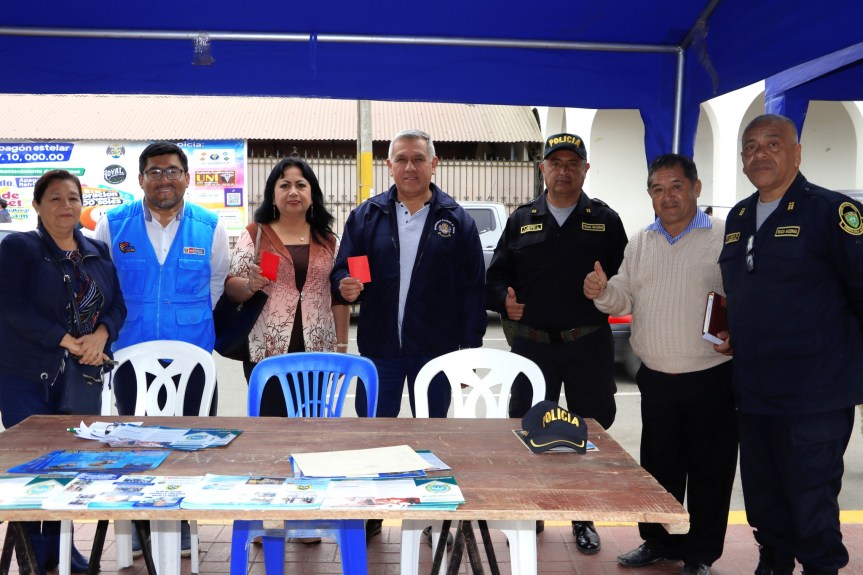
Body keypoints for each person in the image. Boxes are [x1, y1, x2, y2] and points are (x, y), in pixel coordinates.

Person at [717, 114, 863, 575]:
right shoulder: (739, 217)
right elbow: (746, 290)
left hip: (814, 394)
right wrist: (732, 331)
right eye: (750, 146)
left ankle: (821, 568)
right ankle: (773, 563)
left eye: (772, 144)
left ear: (797, 153)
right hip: (754, 390)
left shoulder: (831, 212)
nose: (759, 153)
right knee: (764, 496)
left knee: (811, 499)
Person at [330, 128, 487, 542]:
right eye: (401, 159)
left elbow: (473, 291)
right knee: (374, 434)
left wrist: (469, 354)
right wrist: (345, 284)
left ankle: (431, 515)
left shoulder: (456, 220)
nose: (410, 167)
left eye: (418, 158)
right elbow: (344, 269)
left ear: (434, 164)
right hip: (379, 350)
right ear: (389, 166)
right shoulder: (367, 216)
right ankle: (372, 512)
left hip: (435, 352)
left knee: (431, 435)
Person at [584, 154, 737, 575]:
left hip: (710, 377)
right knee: (659, 467)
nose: (667, 196)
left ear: (696, 188)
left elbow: (743, 297)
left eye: (676, 186)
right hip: (656, 379)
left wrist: (737, 333)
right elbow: (623, 296)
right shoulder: (641, 242)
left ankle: (701, 553)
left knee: (710, 470)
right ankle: (658, 541)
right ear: (650, 195)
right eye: (657, 189)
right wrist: (602, 290)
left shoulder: (723, 237)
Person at [485, 132, 627, 554]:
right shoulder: (521, 219)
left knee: (591, 430)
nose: (563, 171)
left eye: (572, 163)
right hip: (533, 348)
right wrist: (503, 300)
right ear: (543, 168)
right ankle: (534, 509)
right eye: (555, 163)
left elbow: (627, 280)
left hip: (587, 346)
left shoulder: (606, 220)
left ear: (585, 169)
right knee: (527, 428)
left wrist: (608, 288)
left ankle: (582, 516)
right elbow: (496, 276)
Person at [94, 141, 229, 554]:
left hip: (193, 355)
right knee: (134, 443)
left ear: (186, 178)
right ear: (140, 179)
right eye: (154, 171)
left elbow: (216, 282)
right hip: (130, 354)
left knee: (190, 441)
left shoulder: (210, 226)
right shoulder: (113, 225)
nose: (164, 179)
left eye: (172, 171)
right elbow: (103, 286)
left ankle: (182, 520)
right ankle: (139, 526)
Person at [0, 169, 126, 574]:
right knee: (33, 464)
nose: (65, 205)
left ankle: (61, 545)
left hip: (81, 379)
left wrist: (101, 336)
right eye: (55, 198)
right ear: (37, 205)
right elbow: (12, 307)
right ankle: (34, 552)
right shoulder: (19, 247)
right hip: (25, 377)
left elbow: (117, 306)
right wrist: (68, 340)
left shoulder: (97, 250)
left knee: (72, 464)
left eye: (73, 197)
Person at [224, 158, 349, 416]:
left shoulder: (329, 241)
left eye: (300, 185)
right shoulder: (255, 234)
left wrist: (341, 348)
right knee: (271, 426)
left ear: (312, 195)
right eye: (284, 185)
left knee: (310, 423)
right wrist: (249, 285)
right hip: (266, 353)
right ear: (272, 196)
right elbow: (231, 286)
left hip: (317, 353)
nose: (293, 192)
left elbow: (338, 298)